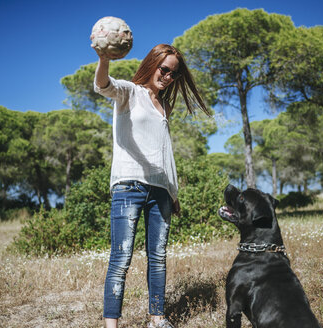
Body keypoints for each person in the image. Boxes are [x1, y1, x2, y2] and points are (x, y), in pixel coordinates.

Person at [93, 43, 210, 328]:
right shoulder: (129, 92)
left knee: (158, 258)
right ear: (152, 64)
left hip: (160, 192)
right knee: (121, 258)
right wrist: (104, 58)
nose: (168, 76)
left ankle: (157, 318)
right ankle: (112, 325)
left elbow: (164, 151)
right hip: (128, 186)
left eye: (174, 73)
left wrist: (173, 191)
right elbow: (102, 85)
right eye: (164, 69)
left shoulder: (163, 105)